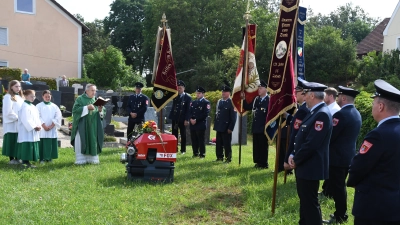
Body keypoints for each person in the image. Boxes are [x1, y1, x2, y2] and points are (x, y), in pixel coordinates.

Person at [347, 79, 400, 225]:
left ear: (381, 106)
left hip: (374, 209)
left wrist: (352, 181)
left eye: (374, 103)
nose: (372, 107)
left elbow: (359, 167)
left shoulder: (378, 135)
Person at [288, 82, 332, 225]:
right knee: (305, 202)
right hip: (305, 165)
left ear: (312, 95)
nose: (304, 97)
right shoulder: (314, 112)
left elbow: (311, 145)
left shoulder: (322, 115)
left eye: (306, 94)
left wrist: (296, 158)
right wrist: (293, 154)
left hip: (310, 166)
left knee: (310, 203)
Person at [322, 86, 362, 224]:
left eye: (339, 96)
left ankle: (340, 215)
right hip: (347, 156)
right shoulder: (356, 113)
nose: (338, 98)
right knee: (339, 187)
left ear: (343, 98)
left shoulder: (341, 115)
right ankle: (341, 213)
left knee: (338, 188)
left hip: (337, 158)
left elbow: (331, 136)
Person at [70, 84, 106, 165]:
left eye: (95, 90)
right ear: (87, 91)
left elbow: (102, 114)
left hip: (93, 126)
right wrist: (86, 108)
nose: (94, 92)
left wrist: (100, 110)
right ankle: (81, 160)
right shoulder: (80, 99)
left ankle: (92, 159)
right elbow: (75, 111)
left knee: (93, 140)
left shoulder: (96, 100)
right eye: (92, 90)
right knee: (82, 139)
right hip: (83, 125)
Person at [283, 78, 309, 172]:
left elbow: (295, 133)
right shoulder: (305, 108)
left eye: (296, 92)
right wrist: (287, 116)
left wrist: (287, 158)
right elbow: (295, 121)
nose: (295, 95)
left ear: (303, 93)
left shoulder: (303, 110)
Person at [243, 80, 270, 169]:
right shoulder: (256, 99)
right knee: (256, 146)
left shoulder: (269, 100)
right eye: (258, 88)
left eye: (261, 88)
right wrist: (243, 98)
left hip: (264, 128)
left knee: (263, 146)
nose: (259, 90)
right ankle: (258, 162)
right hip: (256, 127)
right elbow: (247, 107)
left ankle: (264, 163)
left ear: (266, 89)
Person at [321, 87, 341, 197]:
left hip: (332, 145)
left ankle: (328, 191)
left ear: (331, 96)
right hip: (328, 144)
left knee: (331, 170)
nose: (323, 98)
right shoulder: (329, 107)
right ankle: (326, 189)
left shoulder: (335, 110)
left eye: (325, 95)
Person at [17, 89, 41, 168]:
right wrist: (34, 126)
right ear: (26, 96)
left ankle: (28, 162)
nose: (33, 98)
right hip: (26, 130)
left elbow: (37, 118)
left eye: (34, 96)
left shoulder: (33, 106)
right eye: (31, 96)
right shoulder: (24, 106)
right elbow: (26, 119)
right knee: (26, 144)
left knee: (31, 144)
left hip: (33, 129)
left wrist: (38, 125)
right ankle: (25, 162)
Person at [37, 90, 62, 163]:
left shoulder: (54, 106)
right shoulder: (39, 106)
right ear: (42, 97)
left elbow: (58, 116)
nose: (47, 98)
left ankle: (50, 158)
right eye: (46, 97)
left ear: (51, 96)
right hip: (42, 128)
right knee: (42, 143)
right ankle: (42, 158)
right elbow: (38, 116)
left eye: (49, 96)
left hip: (51, 128)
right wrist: (44, 125)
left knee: (50, 143)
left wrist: (51, 125)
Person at [2, 80, 24, 164]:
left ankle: (17, 158)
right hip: (11, 123)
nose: (18, 88)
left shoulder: (19, 97)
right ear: (11, 87)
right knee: (11, 140)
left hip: (19, 123)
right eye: (16, 86)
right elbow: (8, 111)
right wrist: (17, 118)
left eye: (19, 86)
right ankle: (11, 159)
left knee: (18, 140)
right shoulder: (8, 97)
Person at [213, 84, 237, 163]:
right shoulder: (220, 102)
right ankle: (219, 157)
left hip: (226, 127)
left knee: (227, 144)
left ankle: (228, 158)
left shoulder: (232, 102)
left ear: (229, 93)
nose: (223, 93)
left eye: (225, 92)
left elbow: (233, 117)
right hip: (219, 125)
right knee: (219, 143)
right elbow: (217, 114)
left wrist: (231, 127)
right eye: (222, 91)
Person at [168, 80, 191, 154]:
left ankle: (183, 150)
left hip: (183, 118)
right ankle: (174, 148)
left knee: (183, 134)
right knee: (174, 134)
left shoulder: (187, 97)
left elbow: (188, 109)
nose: (179, 89)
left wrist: (187, 119)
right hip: (175, 117)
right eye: (178, 88)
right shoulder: (175, 96)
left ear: (184, 88)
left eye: (180, 88)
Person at [189, 86, 210, 158]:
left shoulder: (206, 102)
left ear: (203, 94)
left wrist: (196, 120)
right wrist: (191, 119)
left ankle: (202, 154)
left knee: (201, 140)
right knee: (194, 139)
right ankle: (195, 153)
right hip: (193, 124)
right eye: (197, 93)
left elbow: (205, 114)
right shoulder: (193, 102)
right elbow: (190, 112)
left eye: (199, 93)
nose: (197, 94)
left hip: (200, 123)